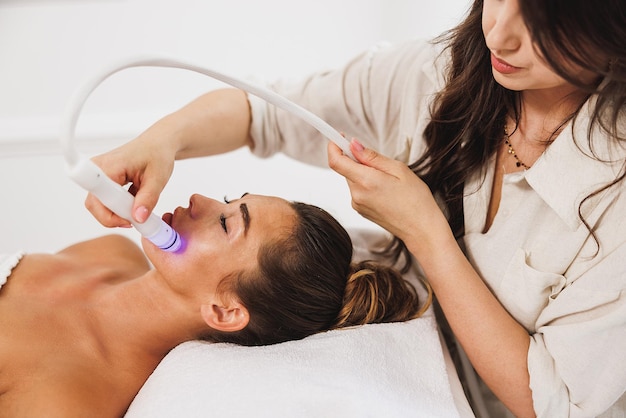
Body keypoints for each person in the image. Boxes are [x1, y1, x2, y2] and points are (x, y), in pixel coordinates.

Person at [85, 0, 626, 416]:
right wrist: (165, 139)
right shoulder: (438, 75)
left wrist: (425, 233)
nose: (499, 32)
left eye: (543, 24)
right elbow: (264, 113)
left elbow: (554, 403)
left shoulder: (613, 201)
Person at [0, 193, 430, 417]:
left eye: (226, 222)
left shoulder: (73, 398)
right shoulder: (109, 252)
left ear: (225, 311)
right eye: (228, 199)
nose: (199, 200)